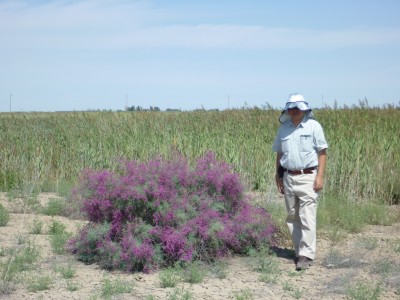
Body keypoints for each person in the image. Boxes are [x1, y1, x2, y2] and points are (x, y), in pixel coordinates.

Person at [272, 93, 328, 271]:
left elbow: (322, 153)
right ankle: (298, 251)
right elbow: (280, 153)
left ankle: (306, 254)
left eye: (297, 107)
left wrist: (319, 177)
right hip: (288, 177)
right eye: (291, 107)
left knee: (307, 216)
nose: (294, 110)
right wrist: (278, 175)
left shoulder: (314, 126)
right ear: (287, 110)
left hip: (308, 177)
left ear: (304, 109)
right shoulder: (284, 129)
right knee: (292, 216)